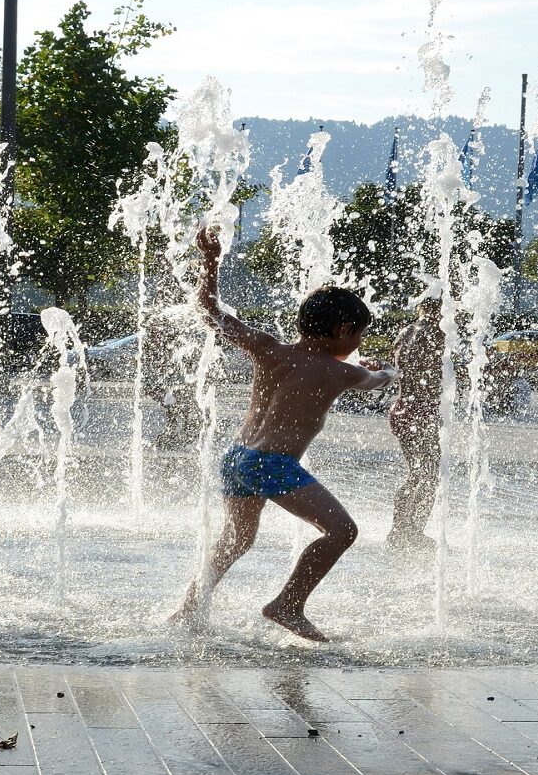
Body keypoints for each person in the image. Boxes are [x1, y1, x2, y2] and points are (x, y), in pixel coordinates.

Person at [170, 227, 397, 642]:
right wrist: (390, 370)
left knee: (236, 539)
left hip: (237, 457)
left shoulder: (268, 347)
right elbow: (373, 380)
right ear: (344, 329)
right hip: (273, 465)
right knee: (342, 531)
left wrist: (211, 262)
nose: (359, 341)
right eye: (358, 334)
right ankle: (288, 604)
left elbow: (207, 309)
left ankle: (187, 610)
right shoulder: (341, 371)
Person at [386, 297, 444, 550]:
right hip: (423, 412)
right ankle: (410, 532)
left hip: (403, 408)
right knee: (428, 475)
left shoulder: (405, 332)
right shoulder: (436, 335)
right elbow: (440, 374)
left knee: (417, 473)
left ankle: (401, 529)